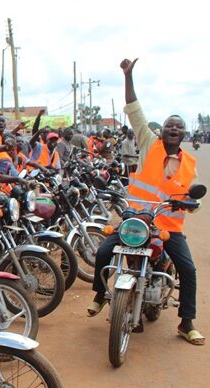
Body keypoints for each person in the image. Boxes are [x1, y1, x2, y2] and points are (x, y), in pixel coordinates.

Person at [87, 58, 203, 346]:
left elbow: (190, 193)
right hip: (135, 219)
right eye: (168, 125)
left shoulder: (190, 163)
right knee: (103, 252)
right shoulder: (149, 143)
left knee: (187, 271)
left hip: (168, 227)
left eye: (178, 126)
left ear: (183, 134)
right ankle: (101, 295)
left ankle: (186, 322)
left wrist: (190, 203)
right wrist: (128, 76)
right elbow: (134, 109)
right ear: (161, 131)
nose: (173, 129)